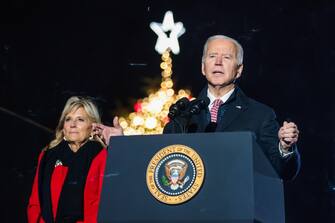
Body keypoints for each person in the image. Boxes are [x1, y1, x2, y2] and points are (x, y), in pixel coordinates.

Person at [164, 34, 300, 180]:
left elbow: (281, 172)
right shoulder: (183, 116)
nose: (218, 62)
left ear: (239, 70)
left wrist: (285, 148)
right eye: (212, 56)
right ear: (203, 68)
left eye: (227, 57)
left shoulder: (261, 115)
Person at [27, 96, 108, 223]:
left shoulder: (102, 156)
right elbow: (35, 202)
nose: (72, 124)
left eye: (80, 120)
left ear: (93, 127)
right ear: (63, 126)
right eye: (68, 119)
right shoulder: (48, 155)